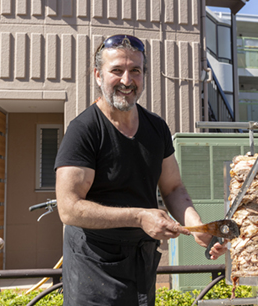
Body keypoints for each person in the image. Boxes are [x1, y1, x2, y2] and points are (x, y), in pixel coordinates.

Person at [54, 34, 228, 306]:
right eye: (117, 71)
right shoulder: (85, 130)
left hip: (141, 264)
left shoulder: (156, 128)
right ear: (98, 75)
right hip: (93, 271)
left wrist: (196, 225)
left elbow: (173, 188)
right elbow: (68, 208)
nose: (126, 80)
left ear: (144, 75)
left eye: (135, 70)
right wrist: (140, 217)